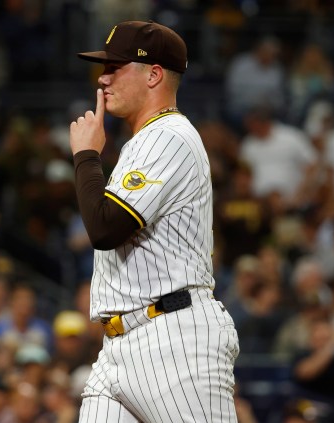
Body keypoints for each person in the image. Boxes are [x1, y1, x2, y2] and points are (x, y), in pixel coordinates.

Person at [71, 20, 240, 422]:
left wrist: (86, 156)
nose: (103, 77)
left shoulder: (169, 136)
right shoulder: (143, 142)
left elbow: (105, 227)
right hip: (119, 344)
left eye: (115, 66)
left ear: (154, 74)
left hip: (174, 341)